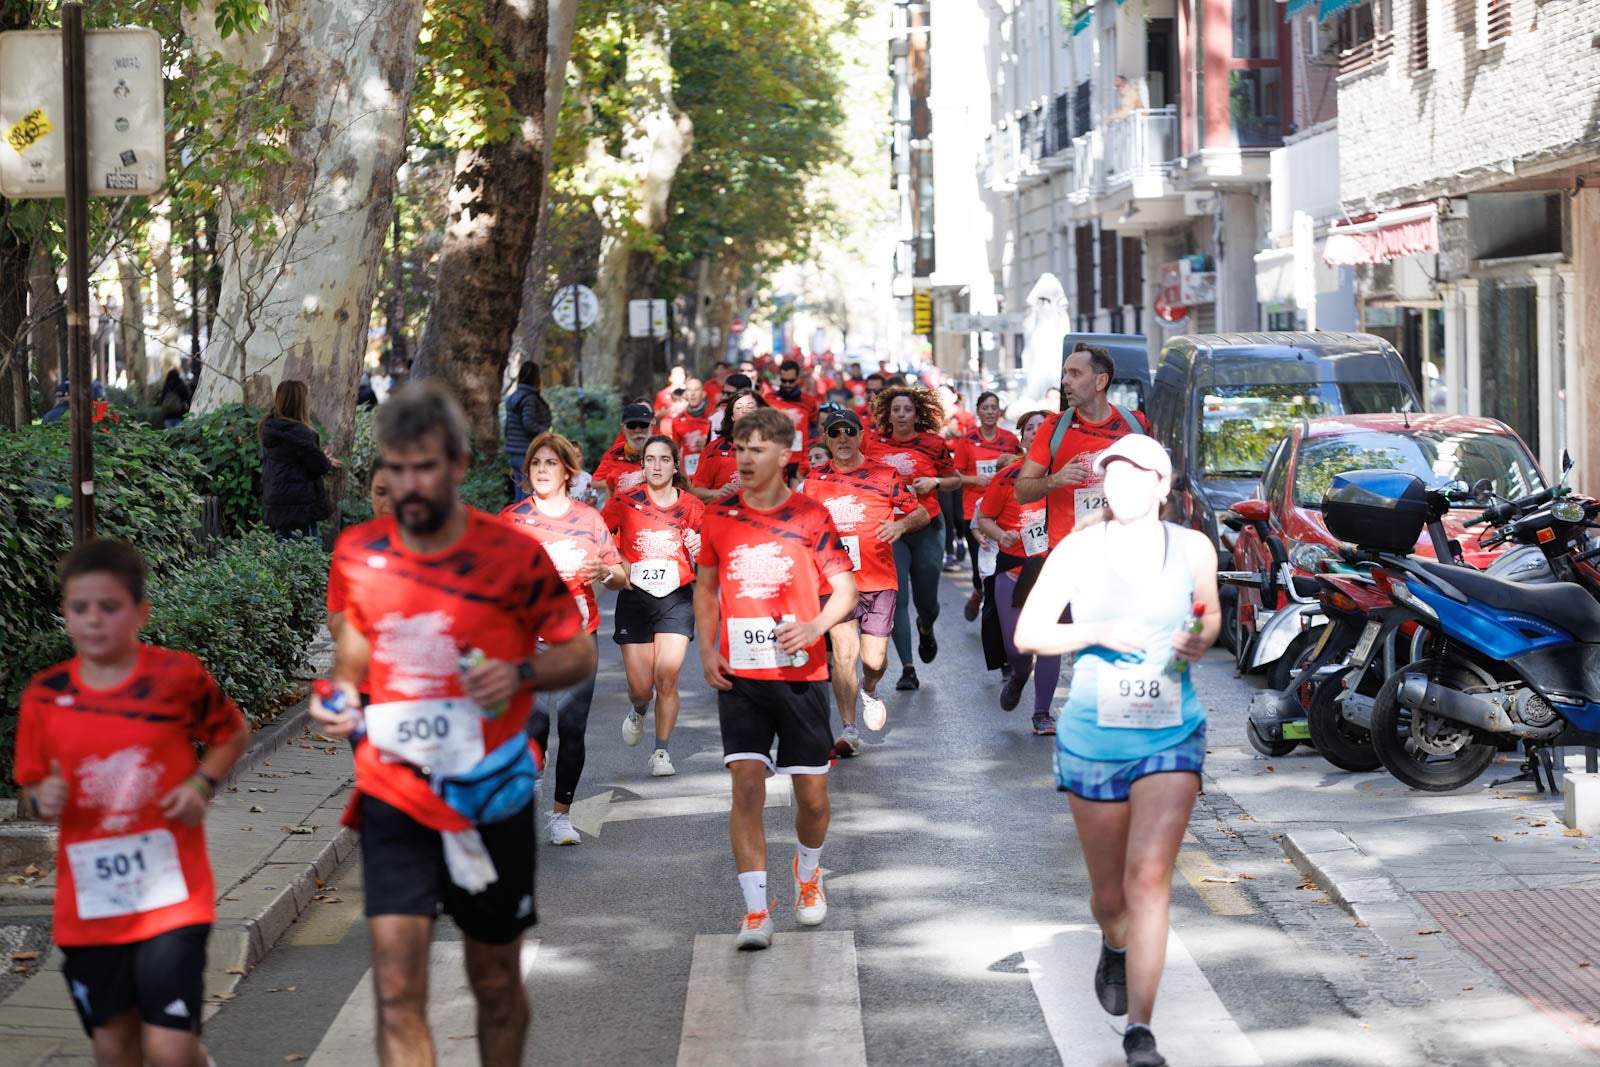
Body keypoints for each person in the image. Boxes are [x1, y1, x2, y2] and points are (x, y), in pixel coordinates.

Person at [311, 383, 596, 1065]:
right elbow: (352, 659)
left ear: (460, 464)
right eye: (397, 467)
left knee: (494, 981)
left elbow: (579, 648)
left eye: (426, 466)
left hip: (488, 793)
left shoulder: (511, 552)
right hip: (395, 791)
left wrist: (522, 674)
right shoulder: (358, 551)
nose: (410, 483)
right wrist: (337, 697)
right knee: (396, 984)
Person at [1013, 434, 1219, 1067]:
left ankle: (1141, 1031)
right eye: (1115, 475)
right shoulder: (1077, 548)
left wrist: (1198, 637)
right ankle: (1115, 943)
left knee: (1150, 878)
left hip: (1171, 730)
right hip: (1094, 736)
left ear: (1164, 486)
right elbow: (1028, 632)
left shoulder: (1191, 546)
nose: (1124, 486)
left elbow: (1207, 613)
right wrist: (1099, 631)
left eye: (1140, 475)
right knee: (1111, 898)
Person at [15, 540, 249, 1067]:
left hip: (171, 893)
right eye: (80, 608)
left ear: (140, 612)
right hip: (91, 904)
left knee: (169, 1047)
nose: (93, 620)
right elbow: (31, 791)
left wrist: (201, 784)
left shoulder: (177, 677)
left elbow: (232, 731)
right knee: (115, 1049)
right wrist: (40, 798)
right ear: (65, 614)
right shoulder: (44, 697)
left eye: (110, 607)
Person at [694, 406, 857, 951]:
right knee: (745, 788)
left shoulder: (812, 516)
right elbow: (705, 587)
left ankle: (807, 872)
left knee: (811, 798)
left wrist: (815, 624)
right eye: (739, 447)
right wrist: (706, 651)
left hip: (800, 675)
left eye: (757, 448)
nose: (744, 457)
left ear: (784, 455)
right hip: (740, 675)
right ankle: (756, 911)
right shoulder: (718, 518)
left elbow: (847, 590)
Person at [500, 432, 625, 845]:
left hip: (576, 640)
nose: (542, 471)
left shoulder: (589, 519)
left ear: (568, 472)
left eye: (551, 464)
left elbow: (622, 574)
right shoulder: (513, 519)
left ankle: (561, 816)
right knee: (532, 727)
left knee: (572, 728)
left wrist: (604, 574)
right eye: (536, 464)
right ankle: (533, 769)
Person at [800, 409, 928, 756]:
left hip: (878, 578)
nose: (843, 438)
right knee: (843, 654)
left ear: (860, 436)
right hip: (835, 581)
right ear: (825, 439)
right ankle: (848, 728)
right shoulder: (813, 482)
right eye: (835, 433)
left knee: (873, 661)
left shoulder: (885, 475)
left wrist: (900, 526)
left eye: (849, 431)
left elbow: (921, 512)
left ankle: (870, 690)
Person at [603, 436, 705, 777]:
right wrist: (620, 565)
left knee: (666, 677)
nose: (657, 466)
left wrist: (700, 543)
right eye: (650, 460)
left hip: (675, 598)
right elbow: (599, 538)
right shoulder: (625, 501)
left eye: (664, 459)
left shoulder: (691, 505)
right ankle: (638, 709)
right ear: (642, 465)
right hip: (635, 597)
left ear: (675, 466)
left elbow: (711, 554)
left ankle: (661, 751)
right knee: (641, 687)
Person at [862, 384, 960, 691]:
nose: (902, 415)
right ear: (887, 415)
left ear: (917, 414)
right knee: (898, 598)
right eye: (896, 410)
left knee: (926, 600)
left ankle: (926, 627)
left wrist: (935, 482)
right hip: (890, 529)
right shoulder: (872, 444)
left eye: (907, 410)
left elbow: (955, 479)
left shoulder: (933, 443)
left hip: (927, 526)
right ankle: (908, 668)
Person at [1014, 343, 1149, 553]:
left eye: (1074, 374)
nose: (1065, 381)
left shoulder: (1135, 425)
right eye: (1065, 374)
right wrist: (1055, 479)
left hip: (1124, 550)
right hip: (1068, 553)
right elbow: (1021, 492)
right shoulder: (1053, 427)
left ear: (1100, 381)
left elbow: (1157, 486)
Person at [974, 410, 1058, 735]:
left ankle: (1042, 714)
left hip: (1054, 572)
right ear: (1022, 439)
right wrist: (1000, 535)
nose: (1037, 433)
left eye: (1045, 428)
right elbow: (984, 518)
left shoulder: (1065, 476)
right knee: (1016, 647)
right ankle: (1020, 675)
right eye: (1031, 429)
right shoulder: (1007, 476)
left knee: (1050, 644)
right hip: (1012, 570)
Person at [953, 392, 1022, 621]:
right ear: (978, 411)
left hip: (1005, 510)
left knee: (1002, 566)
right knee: (979, 569)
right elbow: (955, 475)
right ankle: (978, 591)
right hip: (975, 511)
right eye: (986, 407)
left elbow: (1021, 468)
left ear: (999, 411)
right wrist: (974, 480)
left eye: (994, 407)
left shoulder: (1010, 440)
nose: (990, 412)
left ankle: (998, 612)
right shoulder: (968, 440)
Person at [260, 379, 340, 540]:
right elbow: (319, 466)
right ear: (300, 403)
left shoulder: (270, 428)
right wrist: (324, 460)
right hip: (301, 507)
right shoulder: (301, 433)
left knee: (283, 557)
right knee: (307, 557)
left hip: (278, 505)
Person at [691, 389, 766, 504]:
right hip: (721, 517)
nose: (745, 411)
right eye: (739, 407)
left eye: (750, 407)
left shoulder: (769, 449)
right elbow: (694, 492)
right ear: (732, 416)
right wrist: (718, 493)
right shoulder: (715, 450)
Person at [504, 362, 552, 503]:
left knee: (520, 490)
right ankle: (525, 523)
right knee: (528, 493)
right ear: (536, 377)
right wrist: (545, 432)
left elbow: (508, 426)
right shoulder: (529, 398)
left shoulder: (514, 397)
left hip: (515, 451)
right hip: (526, 450)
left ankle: (518, 521)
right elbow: (528, 423)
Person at [765, 358, 820, 484]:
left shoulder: (809, 401)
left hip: (800, 460)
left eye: (791, 381)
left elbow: (814, 431)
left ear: (798, 379)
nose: (787, 384)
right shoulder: (769, 399)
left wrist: (811, 457)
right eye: (784, 381)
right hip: (776, 458)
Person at [593, 402, 654, 505]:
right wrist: (623, 484)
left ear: (651, 426)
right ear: (623, 429)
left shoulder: (664, 450)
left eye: (643, 425)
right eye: (632, 425)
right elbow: (595, 482)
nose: (638, 430)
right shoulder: (613, 453)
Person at [672, 378, 714, 479]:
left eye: (696, 390)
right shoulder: (677, 420)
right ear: (685, 394)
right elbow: (675, 450)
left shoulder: (714, 416)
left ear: (703, 394)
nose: (692, 394)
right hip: (689, 475)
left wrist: (709, 444)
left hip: (711, 470)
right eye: (689, 390)